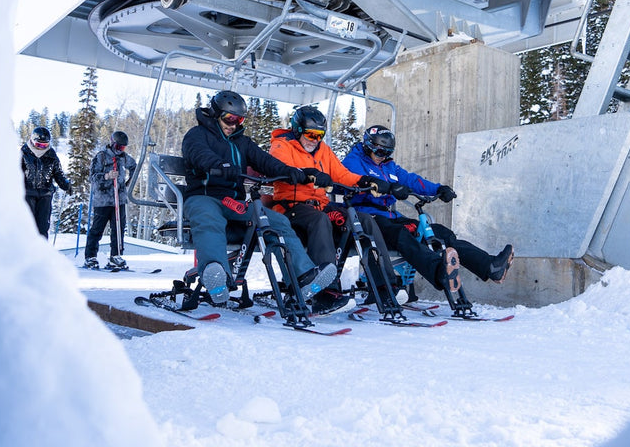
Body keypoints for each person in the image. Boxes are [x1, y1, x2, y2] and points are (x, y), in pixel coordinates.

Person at [182, 90, 335, 306]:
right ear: (216, 114)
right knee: (209, 220)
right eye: (229, 118)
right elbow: (198, 154)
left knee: (278, 222)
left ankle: (302, 277)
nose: (233, 124)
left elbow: (266, 162)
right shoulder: (197, 135)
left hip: (232, 202)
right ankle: (217, 277)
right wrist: (217, 165)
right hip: (202, 196)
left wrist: (296, 173)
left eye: (239, 119)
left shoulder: (242, 142)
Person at [269, 106, 425, 312]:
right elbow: (282, 169)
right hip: (292, 207)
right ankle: (326, 292)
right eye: (310, 134)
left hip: (321, 206)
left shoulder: (323, 150)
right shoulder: (282, 146)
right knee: (320, 220)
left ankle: (384, 285)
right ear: (297, 129)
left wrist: (367, 180)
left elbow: (342, 175)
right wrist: (310, 173)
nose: (314, 140)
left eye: (319, 135)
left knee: (363, 220)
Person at [342, 125, 514, 297]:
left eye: (387, 153)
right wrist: (388, 187)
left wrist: (438, 189)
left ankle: (491, 266)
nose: (383, 157)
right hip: (366, 218)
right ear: (368, 146)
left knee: (438, 233)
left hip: (390, 216)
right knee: (401, 234)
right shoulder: (353, 161)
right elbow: (350, 181)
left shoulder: (389, 166)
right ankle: (440, 273)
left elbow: (411, 180)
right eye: (380, 153)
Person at [84, 131, 137, 270]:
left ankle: (116, 255)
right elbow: (92, 177)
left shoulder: (123, 157)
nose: (121, 151)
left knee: (118, 229)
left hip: (119, 199)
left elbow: (134, 166)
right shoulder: (101, 156)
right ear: (113, 143)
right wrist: (107, 176)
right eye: (119, 147)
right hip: (103, 200)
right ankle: (90, 257)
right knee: (97, 229)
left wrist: (127, 183)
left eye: (123, 148)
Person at [21, 126, 72, 239]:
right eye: (39, 145)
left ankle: (41, 252)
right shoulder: (24, 153)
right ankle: (26, 252)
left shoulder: (51, 155)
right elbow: (16, 173)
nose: (41, 148)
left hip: (45, 194)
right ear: (33, 141)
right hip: (28, 193)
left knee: (43, 226)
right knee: (29, 225)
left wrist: (65, 185)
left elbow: (58, 173)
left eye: (44, 145)